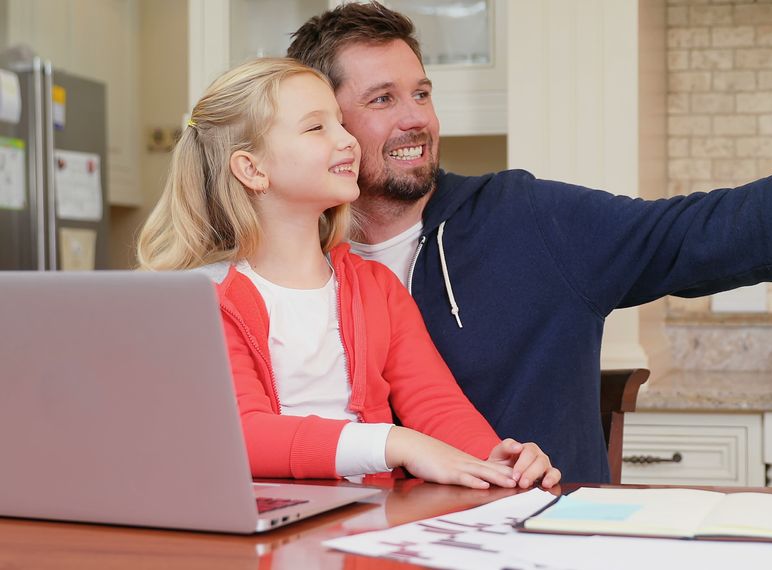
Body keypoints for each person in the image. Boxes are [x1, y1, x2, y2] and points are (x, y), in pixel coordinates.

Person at [287, 3, 772, 483]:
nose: (416, 118)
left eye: (422, 92)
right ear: (323, 121)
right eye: (383, 100)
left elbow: (723, 230)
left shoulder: (527, 221)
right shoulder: (290, 268)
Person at [136, 58, 560, 490]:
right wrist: (395, 442)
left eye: (340, 122)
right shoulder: (204, 298)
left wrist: (494, 459)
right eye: (316, 127)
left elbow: (437, 406)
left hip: (367, 525)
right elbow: (242, 435)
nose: (348, 140)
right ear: (252, 169)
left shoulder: (377, 289)